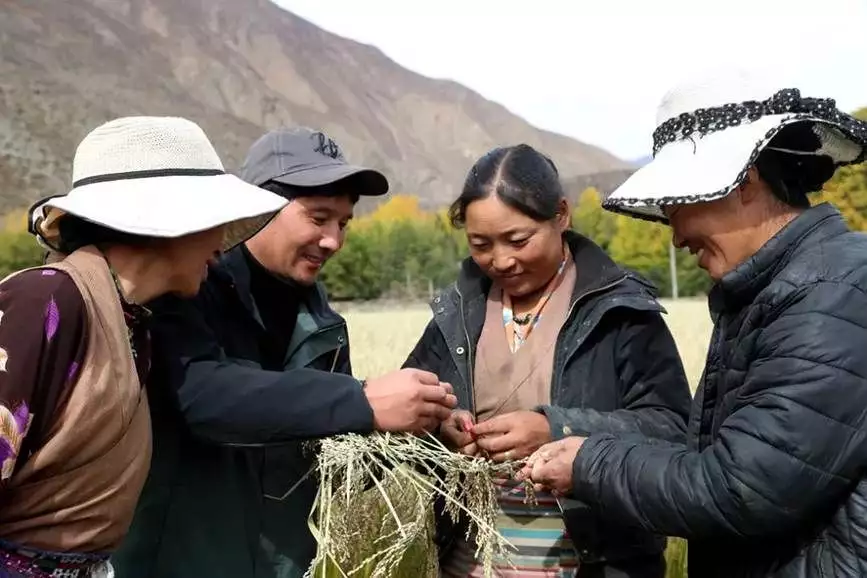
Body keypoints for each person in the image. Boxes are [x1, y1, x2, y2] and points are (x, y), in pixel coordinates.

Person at [520, 69, 867, 578]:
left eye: (679, 200)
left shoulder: (829, 295)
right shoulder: (779, 288)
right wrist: (563, 430)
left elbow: (744, 486)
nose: (676, 233)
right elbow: (705, 446)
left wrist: (587, 464)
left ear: (745, 183)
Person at [112, 127, 457, 578]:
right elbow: (200, 395)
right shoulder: (184, 291)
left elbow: (331, 468)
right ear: (258, 207)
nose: (334, 240)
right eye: (319, 218)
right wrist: (362, 400)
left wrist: (418, 433)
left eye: (344, 223)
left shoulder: (324, 326)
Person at [0, 116, 287, 577]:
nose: (221, 243)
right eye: (215, 219)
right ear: (170, 220)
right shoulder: (49, 303)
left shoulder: (131, 324)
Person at [402, 143, 692, 578]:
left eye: (518, 240)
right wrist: (439, 426)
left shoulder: (622, 314)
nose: (501, 260)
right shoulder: (454, 315)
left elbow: (672, 429)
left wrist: (557, 429)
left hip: (596, 565)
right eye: (481, 244)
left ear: (561, 215)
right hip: (468, 566)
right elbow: (405, 417)